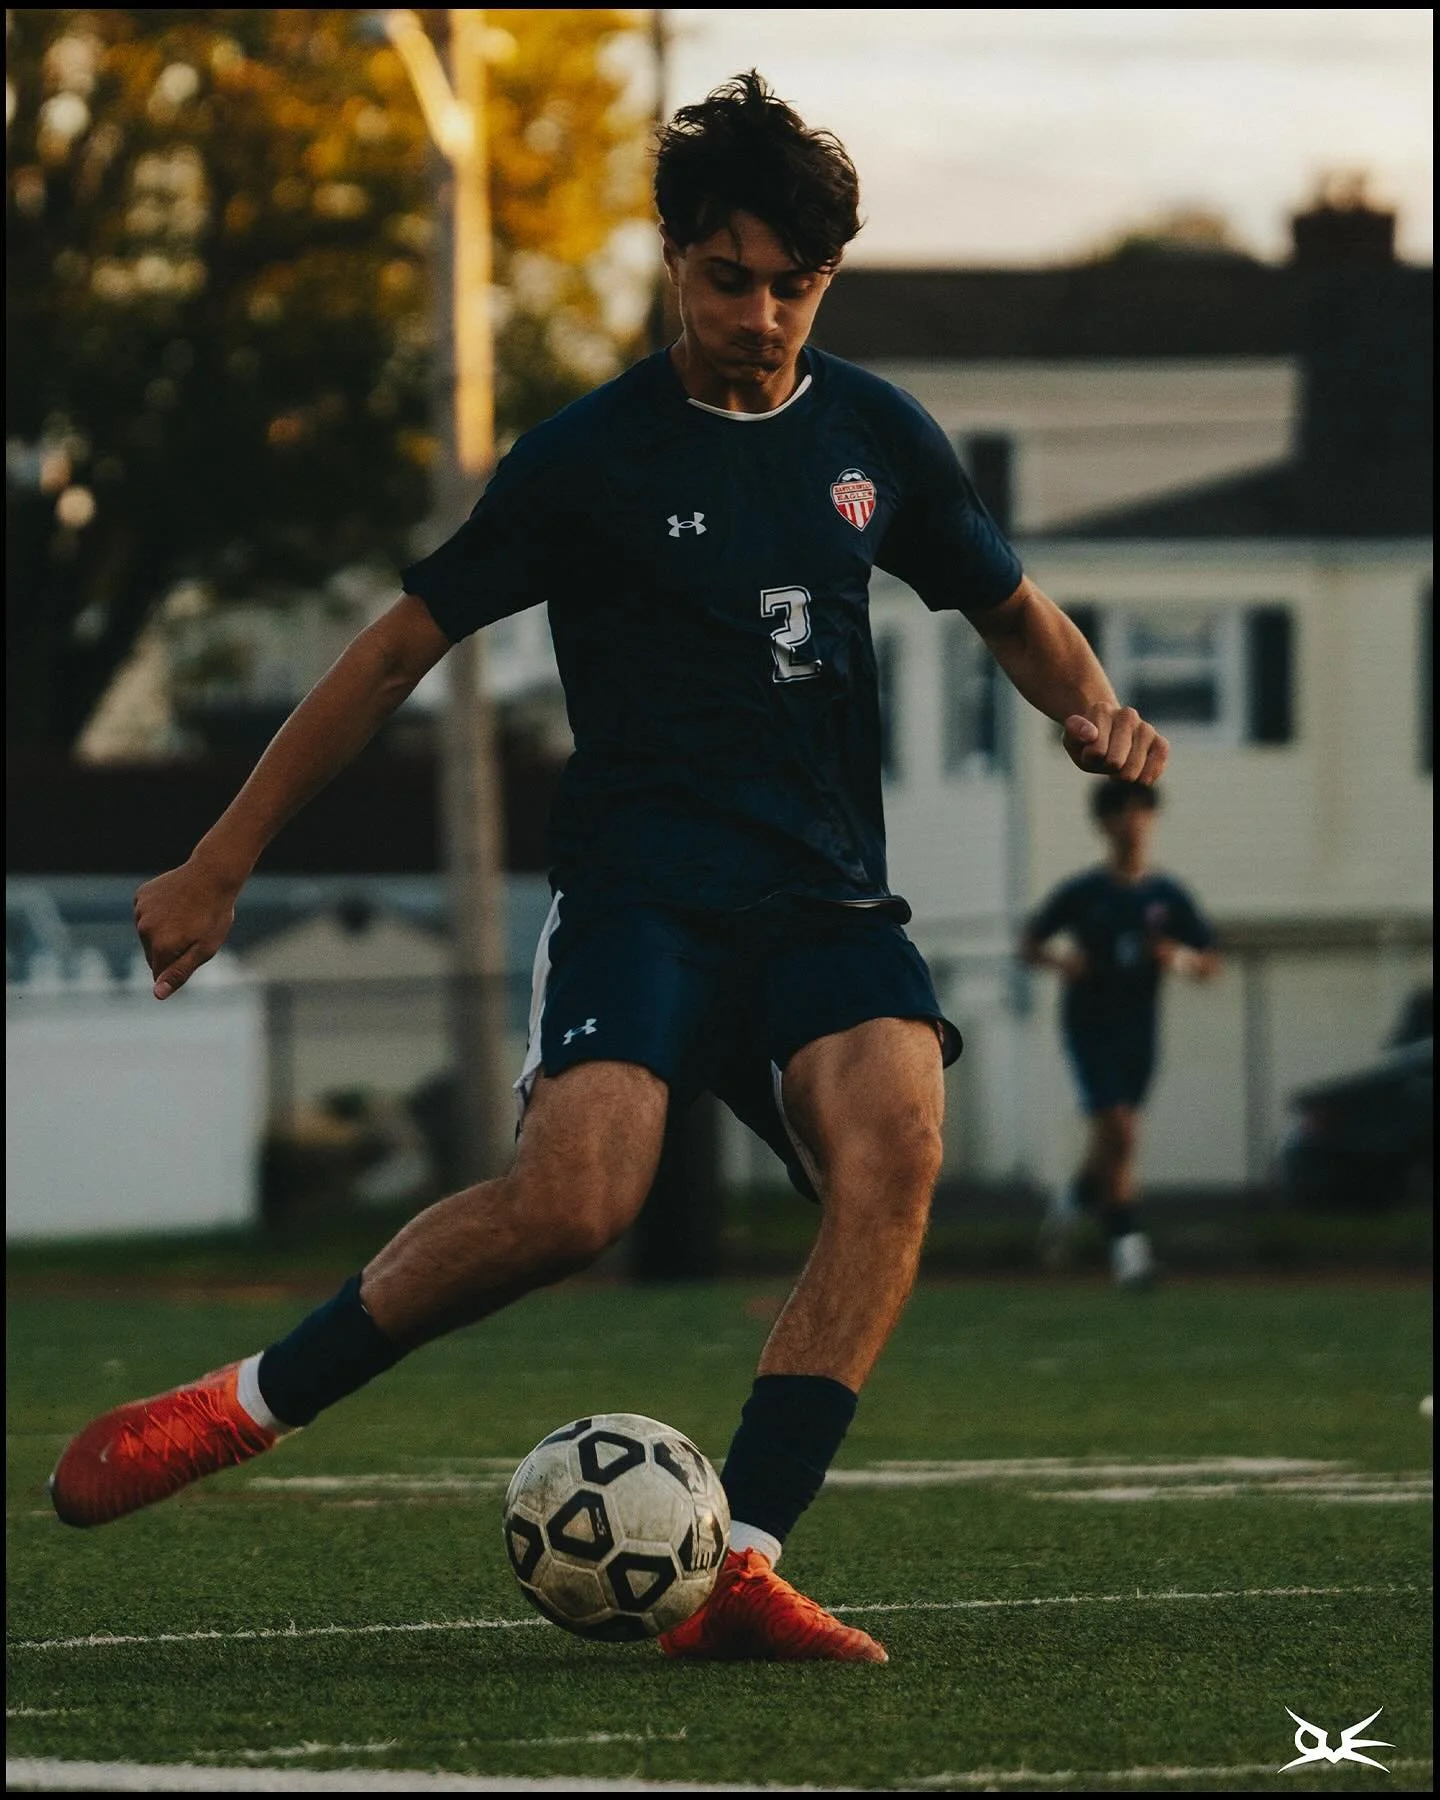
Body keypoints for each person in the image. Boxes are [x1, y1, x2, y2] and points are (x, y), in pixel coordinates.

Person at [48, 73, 1169, 1661]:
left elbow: (1008, 606)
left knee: (896, 1147)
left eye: (795, 285)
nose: (762, 313)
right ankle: (238, 1408)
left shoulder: (874, 437)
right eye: (730, 278)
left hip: (827, 902)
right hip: (643, 895)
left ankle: (745, 1566)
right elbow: (388, 656)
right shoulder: (589, 460)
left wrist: (1094, 712)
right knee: (575, 1207)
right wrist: (221, 859)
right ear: (670, 260)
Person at [1020, 780, 1218, 1289]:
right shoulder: (1085, 893)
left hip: (1140, 1027)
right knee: (1122, 1131)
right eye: (1120, 814)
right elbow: (1031, 942)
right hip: (1090, 1024)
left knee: (1115, 1139)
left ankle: (1076, 1199)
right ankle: (1130, 1254)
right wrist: (1063, 962)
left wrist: (1174, 957)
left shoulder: (1167, 896)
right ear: (1104, 824)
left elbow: (1208, 962)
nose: (1131, 824)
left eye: (1140, 812)